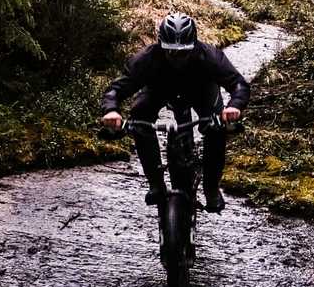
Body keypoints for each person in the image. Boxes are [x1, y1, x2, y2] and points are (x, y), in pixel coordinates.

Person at [100, 12, 249, 213]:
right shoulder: (147, 58)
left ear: (194, 45)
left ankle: (211, 188)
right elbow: (116, 89)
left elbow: (238, 83)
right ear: (161, 45)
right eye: (171, 52)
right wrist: (111, 111)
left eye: (183, 53)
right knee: (139, 118)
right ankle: (155, 183)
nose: (177, 58)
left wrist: (234, 107)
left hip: (202, 91)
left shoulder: (210, 56)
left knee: (216, 127)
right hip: (160, 89)